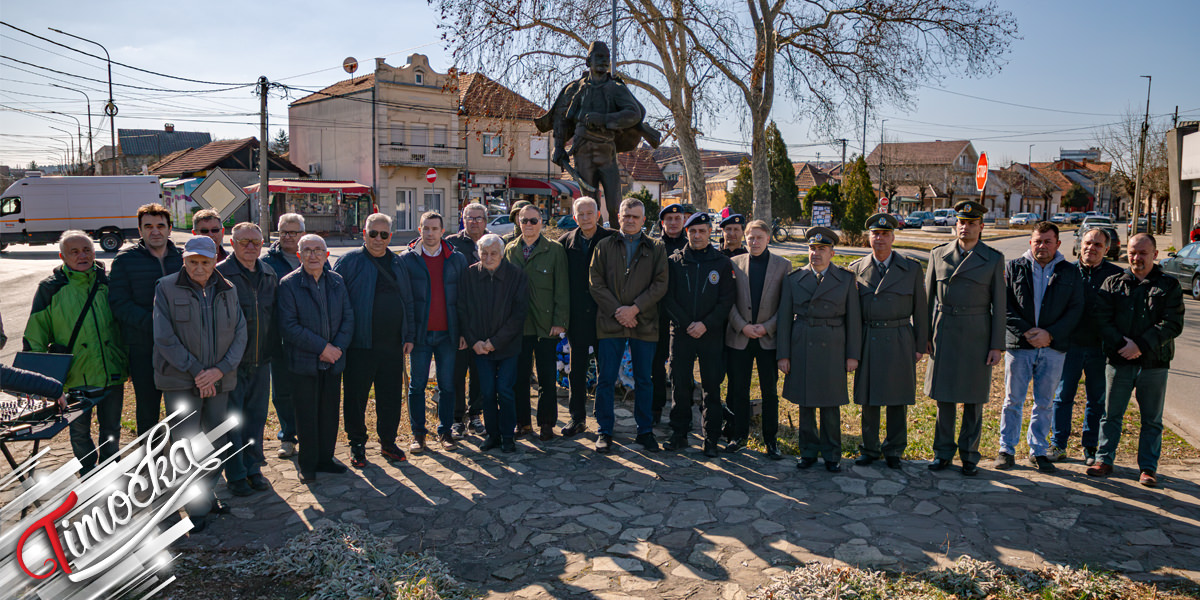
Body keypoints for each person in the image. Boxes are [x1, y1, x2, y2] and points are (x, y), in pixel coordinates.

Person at [152, 236, 246, 532]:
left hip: (219, 380)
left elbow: (241, 332)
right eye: (193, 261)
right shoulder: (165, 287)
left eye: (205, 262)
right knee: (184, 446)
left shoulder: (228, 288)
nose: (199, 268)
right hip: (180, 380)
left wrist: (218, 370)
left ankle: (202, 502)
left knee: (217, 442)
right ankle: (183, 505)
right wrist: (197, 371)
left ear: (215, 259)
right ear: (184, 260)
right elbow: (164, 336)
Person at [22, 230, 126, 475]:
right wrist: (42, 382)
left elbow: (124, 326)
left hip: (112, 370)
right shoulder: (50, 289)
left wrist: (127, 362)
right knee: (79, 430)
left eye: (87, 250)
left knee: (111, 427)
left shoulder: (108, 283)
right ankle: (88, 470)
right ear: (62, 256)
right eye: (74, 252)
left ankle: (111, 469)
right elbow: (35, 336)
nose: (82, 255)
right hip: (74, 377)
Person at [1087, 233, 1185, 487]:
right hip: (1119, 361)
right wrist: (1123, 346)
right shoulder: (1113, 283)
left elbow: (1172, 324)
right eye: (1132, 252)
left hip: (1154, 364)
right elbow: (1101, 320)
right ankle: (1104, 459)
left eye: (1142, 252)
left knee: (1151, 419)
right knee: (1111, 415)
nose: (1136, 257)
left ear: (1155, 254)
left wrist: (1140, 346)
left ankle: (1148, 468)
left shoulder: (1169, 286)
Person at [535, 40, 660, 228]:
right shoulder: (575, 88)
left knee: (614, 203)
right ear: (588, 61)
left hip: (606, 151)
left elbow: (634, 113)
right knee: (589, 204)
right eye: (599, 57)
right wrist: (558, 146)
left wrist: (603, 119)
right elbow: (561, 117)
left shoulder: (616, 88)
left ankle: (619, 241)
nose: (603, 61)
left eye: (606, 58)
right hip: (582, 152)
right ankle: (594, 242)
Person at [994, 222, 1084, 474]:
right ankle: (1006, 449)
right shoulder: (1013, 268)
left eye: (1047, 241)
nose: (1042, 246)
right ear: (1030, 242)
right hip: (1020, 346)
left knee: (1044, 403)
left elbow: (1076, 309)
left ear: (1058, 243)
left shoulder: (1069, 272)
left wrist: (1050, 334)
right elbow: (1004, 305)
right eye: (1037, 241)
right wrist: (1027, 332)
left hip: (1053, 348)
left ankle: (1038, 451)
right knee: (1013, 400)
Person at [925, 200, 1005, 477]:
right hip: (944, 331)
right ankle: (942, 452)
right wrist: (924, 335)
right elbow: (927, 300)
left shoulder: (993, 259)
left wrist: (996, 344)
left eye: (971, 223)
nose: (965, 227)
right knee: (944, 398)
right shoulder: (938, 255)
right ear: (955, 225)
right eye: (961, 222)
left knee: (973, 400)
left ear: (981, 227)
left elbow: (999, 305)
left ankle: (970, 455)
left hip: (977, 334)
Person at [334, 213, 416, 467]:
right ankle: (357, 444)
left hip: (392, 345)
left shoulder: (398, 263)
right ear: (364, 233)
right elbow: (335, 302)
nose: (378, 239)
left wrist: (409, 334)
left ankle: (388, 442)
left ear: (390, 236)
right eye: (373, 234)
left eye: (384, 234)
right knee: (356, 397)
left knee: (390, 397)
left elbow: (408, 300)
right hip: (360, 344)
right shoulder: (349, 262)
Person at [777, 227, 861, 473]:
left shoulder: (845, 279)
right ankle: (808, 452)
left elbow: (854, 320)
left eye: (822, 249)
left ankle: (832, 454)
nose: (816, 253)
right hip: (802, 342)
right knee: (806, 403)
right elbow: (783, 319)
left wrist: (852, 355)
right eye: (812, 248)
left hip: (833, 344)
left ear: (832, 253)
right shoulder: (794, 279)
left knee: (830, 403)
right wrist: (783, 355)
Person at [848, 214, 928, 470]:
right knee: (868, 398)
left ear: (893, 237)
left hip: (899, 337)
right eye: (875, 234)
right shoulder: (855, 269)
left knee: (897, 397)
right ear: (869, 237)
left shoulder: (912, 268)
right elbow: (851, 313)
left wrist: (919, 345)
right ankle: (869, 448)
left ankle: (894, 448)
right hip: (868, 338)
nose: (879, 238)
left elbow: (922, 310)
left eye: (884, 234)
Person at [589, 197, 669, 453]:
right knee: (606, 379)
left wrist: (634, 309)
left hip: (643, 322)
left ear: (644, 220)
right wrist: (617, 311)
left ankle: (644, 431)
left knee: (644, 380)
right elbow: (595, 282)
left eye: (636, 216)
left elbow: (660, 284)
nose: (631, 220)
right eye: (626, 216)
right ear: (618, 217)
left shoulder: (656, 248)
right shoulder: (603, 246)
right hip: (610, 323)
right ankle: (605, 431)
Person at [277, 234, 354, 483]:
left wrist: (337, 348)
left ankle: (325, 459)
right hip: (304, 363)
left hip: (333, 362)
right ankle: (307, 464)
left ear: (326, 254)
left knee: (329, 413)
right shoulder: (289, 284)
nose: (313, 255)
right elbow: (289, 326)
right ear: (299, 255)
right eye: (307, 250)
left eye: (318, 250)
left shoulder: (337, 281)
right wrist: (322, 348)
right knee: (306, 414)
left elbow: (348, 318)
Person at [659, 212, 735, 457]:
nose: (697, 235)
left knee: (711, 387)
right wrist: (686, 323)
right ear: (687, 233)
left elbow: (726, 300)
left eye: (702, 231)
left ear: (709, 232)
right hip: (681, 334)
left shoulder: (721, 263)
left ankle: (710, 438)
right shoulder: (674, 261)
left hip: (710, 334)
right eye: (693, 231)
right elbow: (667, 298)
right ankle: (679, 433)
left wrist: (705, 324)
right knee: (680, 385)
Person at [1049, 228, 1123, 465]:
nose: (1091, 248)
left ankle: (1090, 447)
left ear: (1106, 249)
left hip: (1100, 350)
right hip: (1069, 347)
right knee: (1062, 397)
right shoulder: (1064, 272)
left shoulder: (1116, 276)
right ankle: (1058, 444)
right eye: (1088, 243)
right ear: (1080, 244)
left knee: (1097, 400)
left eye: (1098, 245)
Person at [109, 203, 184, 435]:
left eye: (160, 225)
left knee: (182, 409)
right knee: (147, 409)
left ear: (170, 229)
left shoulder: (183, 258)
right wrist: (156, 324)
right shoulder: (125, 261)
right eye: (148, 226)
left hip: (181, 346)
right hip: (143, 347)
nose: (155, 231)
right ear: (140, 230)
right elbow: (119, 304)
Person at [215, 223, 277, 495]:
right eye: (244, 242)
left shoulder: (269, 273)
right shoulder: (220, 275)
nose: (250, 247)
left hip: (261, 360)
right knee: (233, 420)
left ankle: (254, 468)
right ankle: (237, 473)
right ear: (232, 242)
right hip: (231, 364)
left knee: (256, 418)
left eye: (256, 242)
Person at [400, 211, 468, 452]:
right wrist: (407, 336)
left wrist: (462, 332)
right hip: (419, 336)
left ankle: (445, 431)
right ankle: (418, 434)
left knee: (447, 385)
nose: (430, 233)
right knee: (417, 385)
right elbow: (404, 301)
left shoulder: (456, 259)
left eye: (434, 229)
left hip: (448, 335)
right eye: (425, 228)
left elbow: (463, 299)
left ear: (443, 231)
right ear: (420, 230)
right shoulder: (407, 259)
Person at [505, 204, 570, 441]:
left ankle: (546, 423)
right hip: (519, 327)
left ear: (541, 222)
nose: (529, 225)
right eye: (524, 221)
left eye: (533, 220)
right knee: (520, 378)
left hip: (545, 326)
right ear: (518, 223)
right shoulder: (510, 250)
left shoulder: (554, 250)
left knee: (546, 379)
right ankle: (523, 423)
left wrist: (560, 321)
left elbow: (562, 288)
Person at [725, 220, 789, 458]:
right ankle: (739, 435)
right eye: (750, 237)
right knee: (738, 389)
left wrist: (767, 327)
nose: (754, 242)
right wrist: (742, 326)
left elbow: (786, 304)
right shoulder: (734, 263)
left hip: (767, 338)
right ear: (745, 238)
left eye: (759, 238)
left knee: (769, 392)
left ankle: (771, 440)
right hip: (740, 337)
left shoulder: (783, 266)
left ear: (768, 239)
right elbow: (728, 301)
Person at [459, 234, 529, 453]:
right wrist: (474, 342)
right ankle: (492, 434)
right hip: (479, 346)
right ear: (478, 253)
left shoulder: (516, 275)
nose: (488, 257)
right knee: (487, 392)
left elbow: (519, 315)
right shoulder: (469, 274)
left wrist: (495, 342)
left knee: (505, 391)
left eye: (493, 253)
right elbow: (462, 310)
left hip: (507, 346)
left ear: (502, 253)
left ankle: (508, 436)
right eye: (484, 253)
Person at [558, 197, 614, 437]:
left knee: (605, 371)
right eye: (580, 214)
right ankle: (577, 418)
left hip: (605, 315)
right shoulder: (564, 243)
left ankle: (604, 422)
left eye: (590, 213)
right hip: (577, 317)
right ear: (574, 217)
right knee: (577, 370)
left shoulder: (612, 239)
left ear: (598, 215)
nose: (585, 217)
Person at [262, 213, 305, 459]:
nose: (288, 237)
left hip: (311, 337)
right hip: (280, 337)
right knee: (282, 391)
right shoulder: (268, 261)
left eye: (293, 232)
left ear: (302, 233)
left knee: (308, 389)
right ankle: (288, 436)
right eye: (284, 232)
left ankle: (310, 433)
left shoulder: (313, 253)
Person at [446, 203, 489, 437]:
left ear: (486, 220)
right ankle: (457, 418)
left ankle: (475, 415)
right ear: (463, 220)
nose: (474, 222)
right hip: (459, 316)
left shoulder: (494, 242)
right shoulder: (452, 243)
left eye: (479, 218)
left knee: (479, 370)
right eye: (469, 218)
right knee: (457, 371)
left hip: (485, 319)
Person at [652, 203, 691, 424]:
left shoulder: (690, 246)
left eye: (678, 218)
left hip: (682, 316)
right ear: (662, 222)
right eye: (669, 218)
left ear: (684, 221)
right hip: (657, 314)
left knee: (680, 367)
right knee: (656, 364)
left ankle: (682, 412)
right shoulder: (653, 246)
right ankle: (656, 408)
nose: (674, 222)